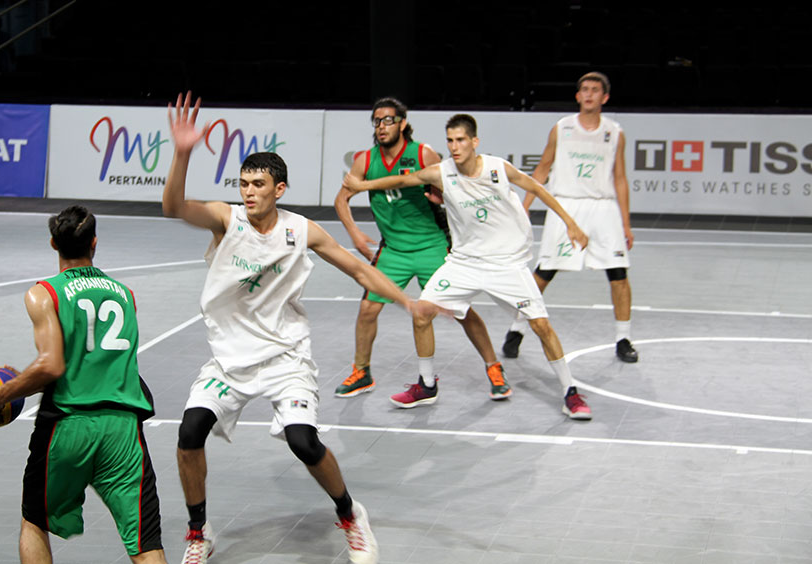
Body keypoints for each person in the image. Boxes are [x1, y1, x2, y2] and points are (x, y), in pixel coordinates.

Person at [163, 92, 415, 564]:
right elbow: (175, 207)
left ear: (279, 189)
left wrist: (407, 301)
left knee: (304, 442)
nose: (249, 192)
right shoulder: (225, 219)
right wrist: (181, 154)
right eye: (243, 184)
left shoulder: (302, 230)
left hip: (285, 356)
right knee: (190, 431)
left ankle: (350, 514)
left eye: (258, 184)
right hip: (231, 358)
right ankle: (199, 531)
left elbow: (360, 271)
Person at [344, 114, 594, 421]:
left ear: (474, 142)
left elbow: (538, 188)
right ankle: (426, 384)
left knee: (540, 325)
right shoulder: (442, 172)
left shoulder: (497, 168)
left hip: (507, 263)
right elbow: (401, 180)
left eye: (461, 140)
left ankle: (570, 392)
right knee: (422, 311)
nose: (454, 146)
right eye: (450, 140)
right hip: (464, 262)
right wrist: (362, 185)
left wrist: (571, 224)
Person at [0, 205, 166, 564]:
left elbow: (52, 364)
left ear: (53, 243)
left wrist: (1, 394)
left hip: (68, 427)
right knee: (146, 545)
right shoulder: (124, 294)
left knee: (34, 522)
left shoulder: (44, 293)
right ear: (95, 242)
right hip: (123, 430)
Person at [333, 97, 507, 406]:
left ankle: (494, 367)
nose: (381, 126)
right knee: (367, 311)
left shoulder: (422, 153)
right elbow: (341, 200)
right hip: (394, 251)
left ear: (402, 123)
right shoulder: (364, 160)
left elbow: (451, 190)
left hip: (432, 246)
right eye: (376, 121)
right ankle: (361, 372)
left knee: (461, 311)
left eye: (388, 120)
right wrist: (355, 233)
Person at [503, 71, 638, 364]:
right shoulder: (562, 128)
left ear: (605, 98)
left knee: (618, 274)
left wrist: (625, 223)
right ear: (578, 96)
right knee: (545, 272)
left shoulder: (615, 132)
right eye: (584, 90)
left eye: (595, 90)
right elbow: (542, 170)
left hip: (603, 209)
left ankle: (623, 338)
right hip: (566, 207)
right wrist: (524, 206)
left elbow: (620, 178)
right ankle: (516, 329)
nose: (589, 94)